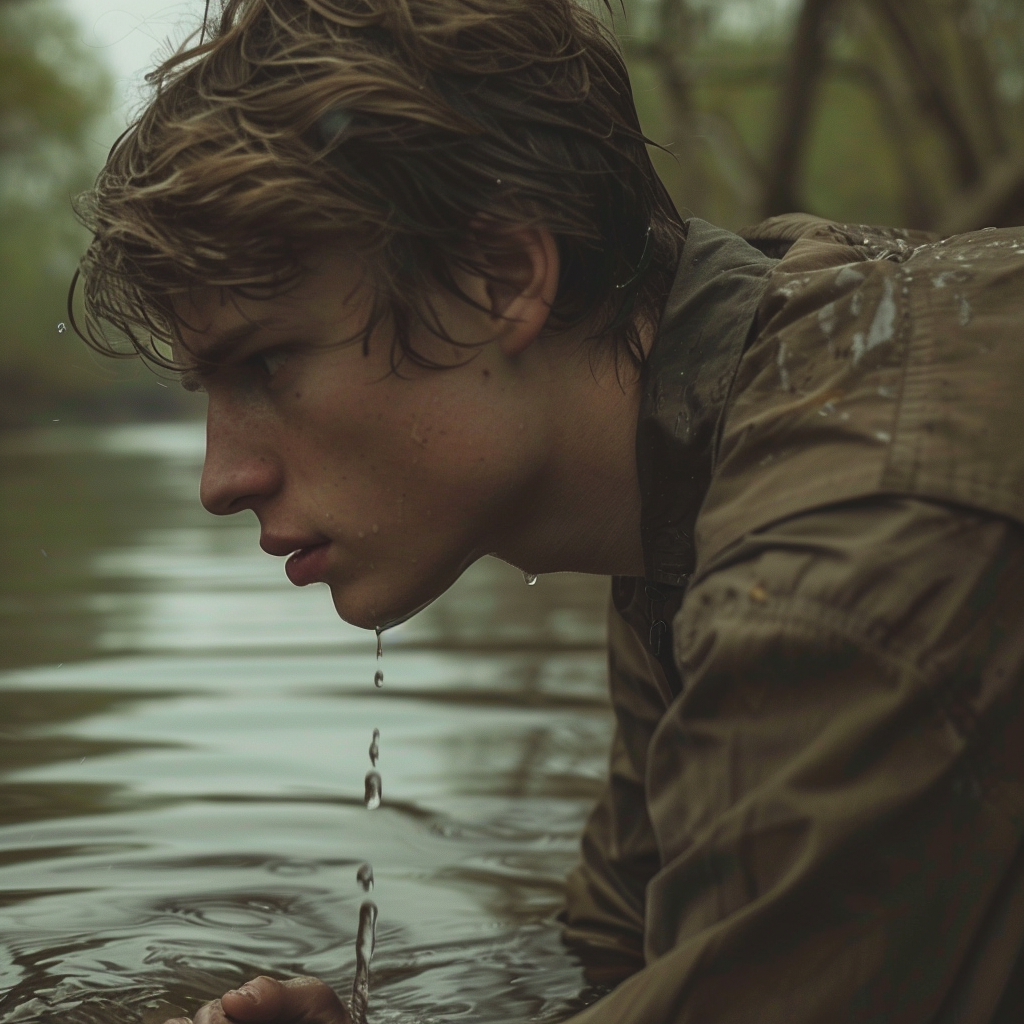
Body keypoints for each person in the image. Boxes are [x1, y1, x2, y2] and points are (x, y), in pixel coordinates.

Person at [70, 0, 1024, 1020]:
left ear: (500, 279)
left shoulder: (836, 558)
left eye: (264, 361)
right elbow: (624, 950)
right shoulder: (694, 467)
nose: (221, 479)